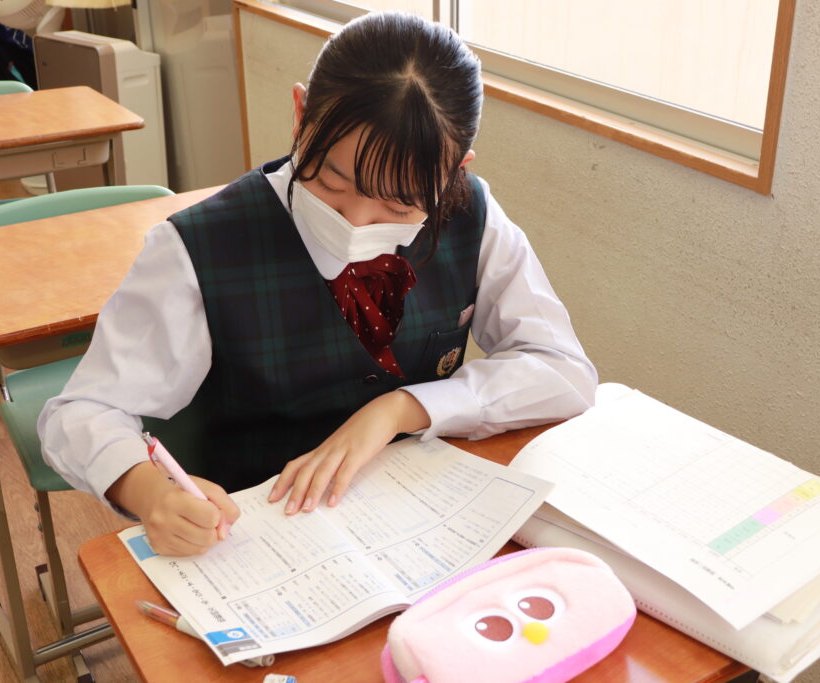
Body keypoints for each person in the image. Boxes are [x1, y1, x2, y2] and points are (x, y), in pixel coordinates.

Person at [39, 11, 596, 557]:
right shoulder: (197, 247)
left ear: (453, 170)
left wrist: (403, 408)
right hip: (263, 535)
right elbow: (80, 413)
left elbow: (563, 369)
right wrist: (148, 491)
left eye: (400, 206)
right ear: (301, 114)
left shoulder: (472, 211)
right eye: (332, 182)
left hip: (422, 521)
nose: (356, 223)